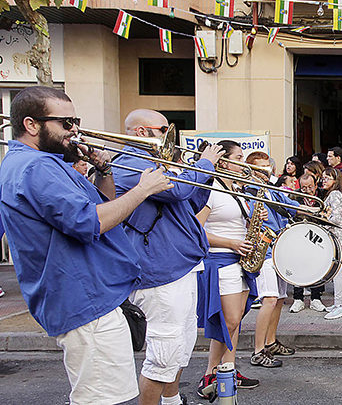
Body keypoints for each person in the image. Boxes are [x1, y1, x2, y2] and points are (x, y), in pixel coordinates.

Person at [0, 86, 172, 404]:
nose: (75, 130)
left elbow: (105, 207)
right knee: (100, 399)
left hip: (90, 296)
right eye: (66, 123)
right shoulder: (36, 167)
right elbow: (89, 222)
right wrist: (143, 189)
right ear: (31, 125)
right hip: (85, 299)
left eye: (75, 120)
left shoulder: (45, 163)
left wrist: (104, 172)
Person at [114, 109, 223, 405]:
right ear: (140, 132)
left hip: (182, 265)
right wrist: (204, 164)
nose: (169, 135)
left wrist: (208, 174)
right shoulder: (129, 161)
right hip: (159, 271)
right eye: (162, 129)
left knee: (181, 346)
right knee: (162, 354)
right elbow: (177, 192)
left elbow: (190, 201)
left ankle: (172, 400)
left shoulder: (157, 162)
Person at [195, 140, 263, 398]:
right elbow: (196, 229)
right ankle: (211, 373)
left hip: (239, 261)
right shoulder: (210, 189)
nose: (243, 163)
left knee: (235, 322)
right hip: (221, 260)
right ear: (223, 162)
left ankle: (229, 369)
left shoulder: (236, 190)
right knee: (229, 320)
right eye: (239, 158)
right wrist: (231, 242)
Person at [246, 152, 308, 369]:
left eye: (268, 165)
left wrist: (314, 209)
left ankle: (270, 342)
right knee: (269, 299)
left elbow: (289, 204)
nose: (266, 169)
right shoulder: (249, 192)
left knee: (280, 299)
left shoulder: (271, 190)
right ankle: (258, 350)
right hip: (263, 252)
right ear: (251, 168)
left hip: (278, 250)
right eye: (261, 166)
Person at [289, 173, 328, 312]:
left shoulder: (322, 195)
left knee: (317, 267)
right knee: (298, 266)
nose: (307, 190)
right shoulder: (295, 195)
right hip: (300, 234)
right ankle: (298, 298)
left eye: (310, 187)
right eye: (304, 188)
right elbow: (290, 213)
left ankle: (316, 298)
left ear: (316, 185)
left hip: (318, 235)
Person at [319, 167, 342, 319]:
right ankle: (338, 302)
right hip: (336, 237)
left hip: (335, 237)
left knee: (338, 272)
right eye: (323, 177)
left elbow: (337, 219)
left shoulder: (334, 194)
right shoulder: (335, 194)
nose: (323, 180)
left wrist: (322, 220)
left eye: (327, 178)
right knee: (336, 271)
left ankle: (340, 304)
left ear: (335, 181)